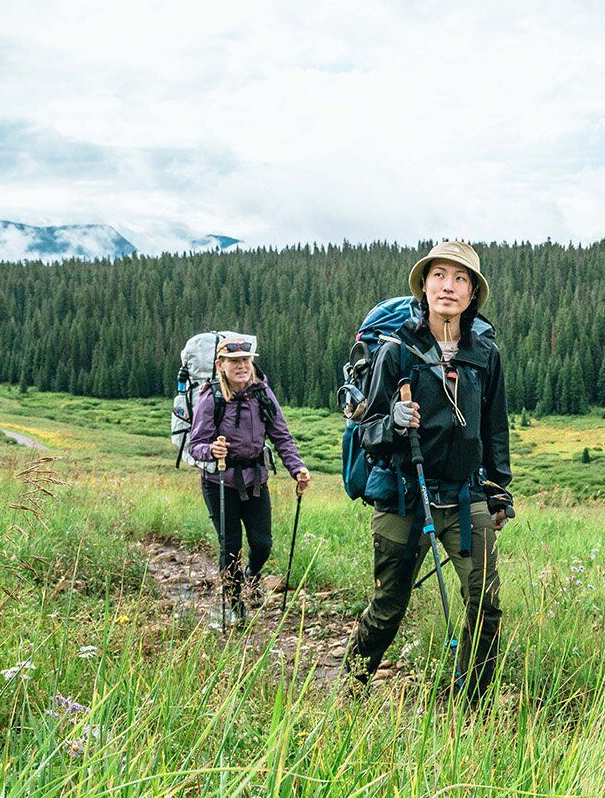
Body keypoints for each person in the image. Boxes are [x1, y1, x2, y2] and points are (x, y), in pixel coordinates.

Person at [343, 241, 514, 701]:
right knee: (389, 606)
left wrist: (499, 490)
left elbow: (494, 428)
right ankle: (350, 687)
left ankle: (469, 703)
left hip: (465, 497)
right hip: (402, 494)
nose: (449, 287)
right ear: (424, 285)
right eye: (439, 275)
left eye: (461, 279)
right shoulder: (397, 351)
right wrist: (393, 426)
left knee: (485, 604)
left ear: (473, 293)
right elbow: (368, 431)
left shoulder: (485, 354)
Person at [186, 338, 310, 628]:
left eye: (246, 360)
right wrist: (210, 451)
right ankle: (234, 604)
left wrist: (297, 468)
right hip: (219, 482)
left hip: (256, 481)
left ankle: (252, 575)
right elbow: (196, 445)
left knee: (262, 544)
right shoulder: (211, 398)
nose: (241, 366)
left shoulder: (262, 394)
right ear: (221, 365)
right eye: (234, 361)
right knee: (230, 547)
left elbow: (281, 436)